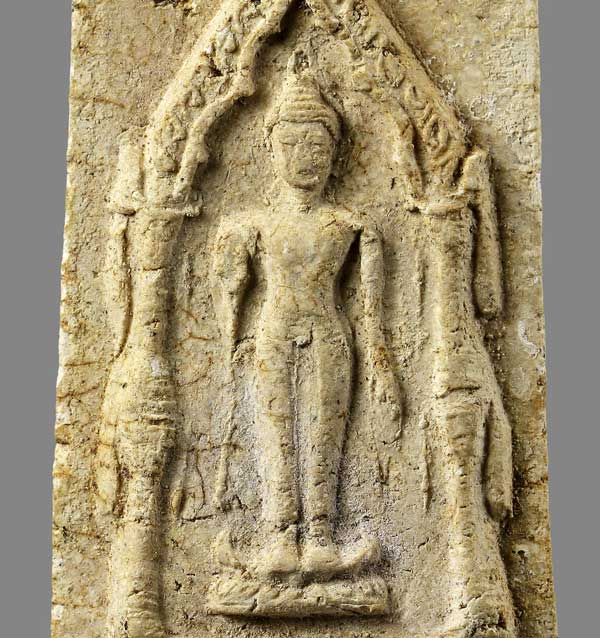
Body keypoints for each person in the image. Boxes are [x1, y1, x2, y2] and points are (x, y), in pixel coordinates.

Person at [213, 61, 402, 580]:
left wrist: (382, 362)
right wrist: (230, 341)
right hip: (272, 334)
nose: (305, 157)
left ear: (335, 153)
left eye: (317, 146)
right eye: (292, 144)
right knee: (276, 431)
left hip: (330, 335)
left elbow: (372, 313)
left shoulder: (351, 226)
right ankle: (280, 534)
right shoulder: (251, 225)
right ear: (271, 148)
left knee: (324, 433)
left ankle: (319, 534)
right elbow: (230, 301)